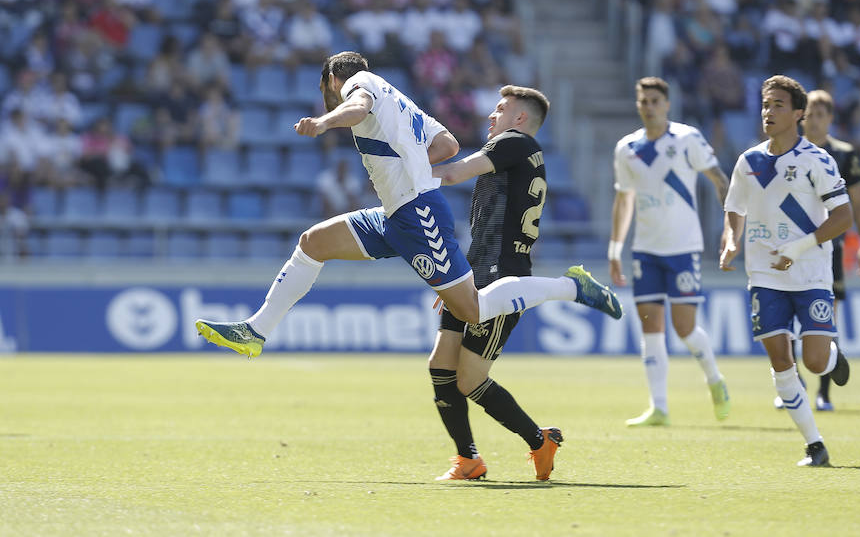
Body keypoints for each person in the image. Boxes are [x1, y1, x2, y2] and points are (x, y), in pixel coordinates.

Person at [195, 52, 622, 361]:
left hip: (418, 213)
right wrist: (409, 165)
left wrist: (324, 122)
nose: (328, 96)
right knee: (313, 242)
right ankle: (256, 331)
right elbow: (447, 144)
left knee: (471, 309)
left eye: (326, 88)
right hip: (395, 211)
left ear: (332, 78)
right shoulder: (398, 98)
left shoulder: (358, 87)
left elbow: (356, 106)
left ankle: (572, 287)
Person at [427, 85, 563, 482]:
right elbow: (490, 230)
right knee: (441, 364)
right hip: (479, 273)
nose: (492, 115)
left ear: (520, 119)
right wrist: (457, 280)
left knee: (469, 380)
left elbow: (451, 172)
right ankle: (468, 459)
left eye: (501, 109)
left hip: (503, 281)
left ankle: (540, 440)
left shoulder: (515, 142)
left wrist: (399, 177)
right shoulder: (517, 152)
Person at [720, 75, 852, 467]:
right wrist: (731, 240)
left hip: (810, 274)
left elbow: (843, 216)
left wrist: (796, 247)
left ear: (799, 114)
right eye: (765, 104)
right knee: (781, 361)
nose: (769, 112)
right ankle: (815, 445)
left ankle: (833, 359)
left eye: (778, 105)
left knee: (814, 361)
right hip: (764, 275)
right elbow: (735, 209)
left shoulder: (817, 160)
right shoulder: (749, 162)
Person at [609, 77, 731, 427]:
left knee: (684, 328)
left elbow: (719, 180)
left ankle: (714, 379)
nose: (648, 106)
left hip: (683, 246)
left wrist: (730, 228)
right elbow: (624, 200)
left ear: (667, 104)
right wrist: (615, 248)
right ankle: (658, 406)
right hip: (645, 249)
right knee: (650, 327)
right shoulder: (627, 148)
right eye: (643, 100)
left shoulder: (687, 139)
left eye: (654, 100)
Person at [771, 89, 860, 411]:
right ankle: (793, 384)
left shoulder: (844, 155)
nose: (814, 121)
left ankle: (824, 393)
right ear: (801, 117)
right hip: (788, 247)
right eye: (810, 115)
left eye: (820, 115)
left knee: (824, 321)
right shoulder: (784, 153)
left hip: (827, 251)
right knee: (783, 318)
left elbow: (856, 205)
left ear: (830, 119)